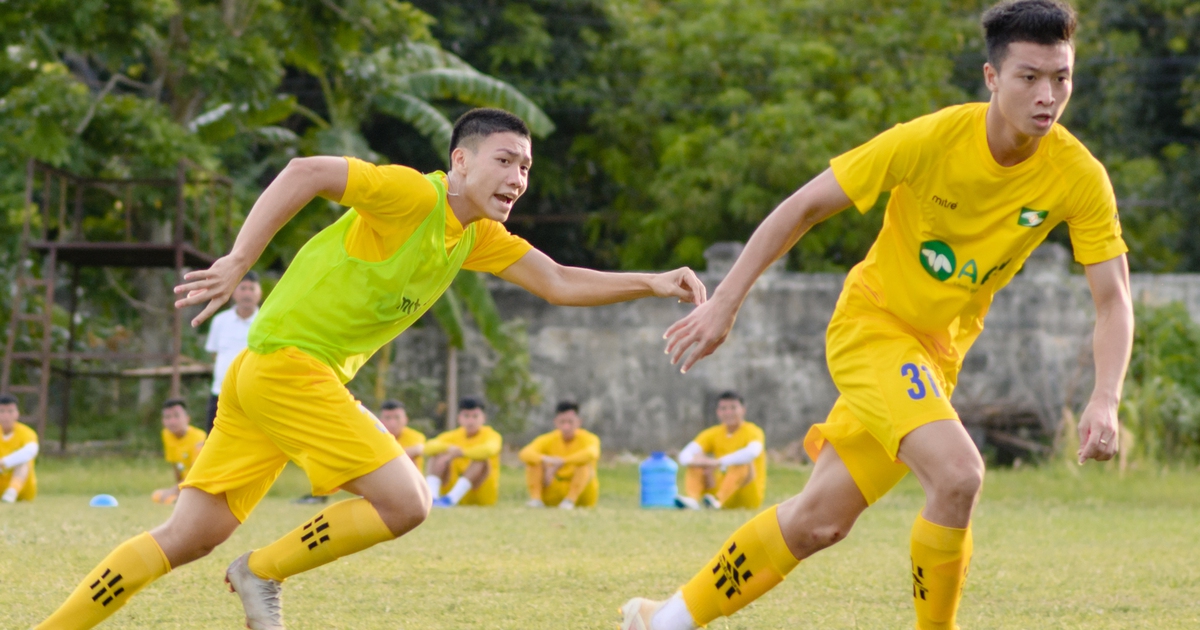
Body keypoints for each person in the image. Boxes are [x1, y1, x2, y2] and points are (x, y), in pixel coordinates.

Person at [37, 107, 706, 630]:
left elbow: (558, 280)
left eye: (526, 168)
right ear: (461, 161)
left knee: (184, 537)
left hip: (263, 376)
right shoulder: (412, 196)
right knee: (408, 500)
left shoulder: (475, 236)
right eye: (505, 160)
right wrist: (240, 259)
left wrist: (651, 282)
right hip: (288, 369)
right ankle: (261, 571)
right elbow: (305, 171)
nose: (517, 178)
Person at [620, 2, 1133, 629]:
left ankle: (661, 620)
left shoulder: (1079, 176)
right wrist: (725, 302)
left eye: (1062, 78)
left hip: (934, 360)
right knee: (959, 475)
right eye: (1029, 77)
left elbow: (1112, 299)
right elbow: (804, 206)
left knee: (818, 522)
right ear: (992, 78)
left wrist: (1105, 397)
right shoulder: (929, 140)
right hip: (872, 330)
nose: (1048, 95)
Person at [674, 392, 765, 510]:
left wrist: (718, 462)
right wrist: (704, 462)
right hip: (717, 486)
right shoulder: (712, 433)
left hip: (746, 494)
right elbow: (684, 456)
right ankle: (693, 499)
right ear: (718, 412)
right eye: (723, 408)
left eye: (733, 408)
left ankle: (719, 499)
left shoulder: (753, 431)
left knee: (743, 463)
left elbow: (752, 452)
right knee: (696, 460)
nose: (728, 413)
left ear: (743, 410)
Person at [204, 272, 261, 432]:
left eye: (252, 288)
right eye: (243, 288)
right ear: (234, 292)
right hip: (221, 391)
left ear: (259, 293)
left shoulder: (265, 321)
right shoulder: (220, 320)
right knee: (214, 438)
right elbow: (214, 353)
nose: (247, 293)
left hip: (255, 393)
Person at [519, 400, 601, 510]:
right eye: (562, 422)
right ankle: (536, 500)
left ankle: (570, 500)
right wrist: (547, 460)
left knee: (584, 464)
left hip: (581, 496)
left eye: (570, 422)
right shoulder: (547, 439)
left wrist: (562, 461)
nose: (566, 427)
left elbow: (591, 453)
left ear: (579, 422)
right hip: (554, 490)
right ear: (556, 422)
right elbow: (525, 453)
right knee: (533, 462)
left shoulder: (589, 438)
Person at [423, 398, 502, 508]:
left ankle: (452, 498)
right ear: (459, 418)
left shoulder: (491, 435)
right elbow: (428, 447)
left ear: (483, 418)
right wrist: (449, 449)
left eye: (475, 416)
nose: (470, 421)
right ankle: (433, 498)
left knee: (482, 459)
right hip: (449, 488)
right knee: (436, 455)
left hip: (480, 494)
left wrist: (461, 453)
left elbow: (489, 450)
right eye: (466, 416)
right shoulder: (452, 436)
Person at [151, 399, 207, 505]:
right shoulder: (166, 434)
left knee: (168, 496)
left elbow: (196, 474)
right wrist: (177, 488)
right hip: (184, 486)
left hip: (199, 485)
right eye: (167, 417)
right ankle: (178, 500)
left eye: (176, 416)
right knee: (157, 495)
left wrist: (174, 490)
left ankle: (181, 500)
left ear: (187, 418)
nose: (172, 421)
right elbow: (175, 464)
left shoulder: (199, 438)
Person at [0, 394, 38, 503]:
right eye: (2, 411)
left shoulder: (27, 433)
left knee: (24, 461)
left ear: (17, 413)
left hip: (23, 490)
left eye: (10, 411)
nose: (6, 416)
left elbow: (30, 451)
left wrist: (4, 462)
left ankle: (11, 492)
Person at [378, 400, 426, 473]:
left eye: (397, 418)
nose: (392, 423)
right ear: (380, 421)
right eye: (388, 418)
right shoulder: (376, 437)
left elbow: (419, 449)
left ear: (405, 420)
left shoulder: (416, 436)